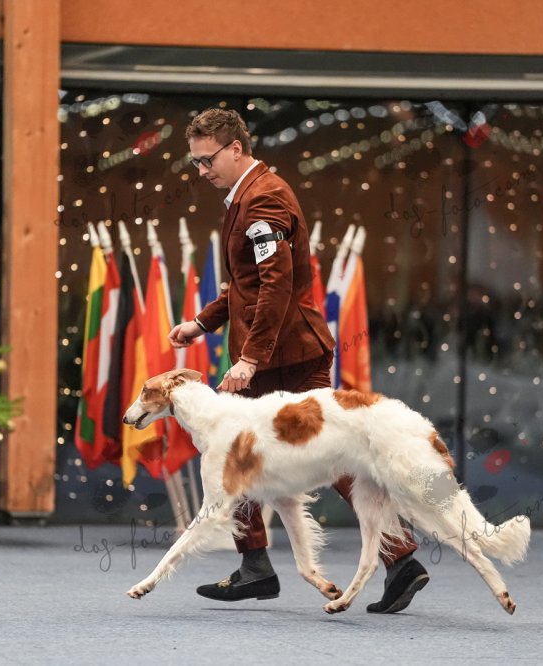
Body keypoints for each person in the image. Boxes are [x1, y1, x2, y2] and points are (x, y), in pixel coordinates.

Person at [168, 108, 429, 614]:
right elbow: (246, 285)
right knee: (296, 454)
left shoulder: (264, 198)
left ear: (236, 148)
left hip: (283, 356)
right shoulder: (247, 193)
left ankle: (383, 559)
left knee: (274, 452)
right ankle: (269, 565)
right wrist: (202, 323)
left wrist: (250, 358)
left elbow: (276, 285)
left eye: (207, 160)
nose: (201, 171)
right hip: (281, 350)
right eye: (195, 162)